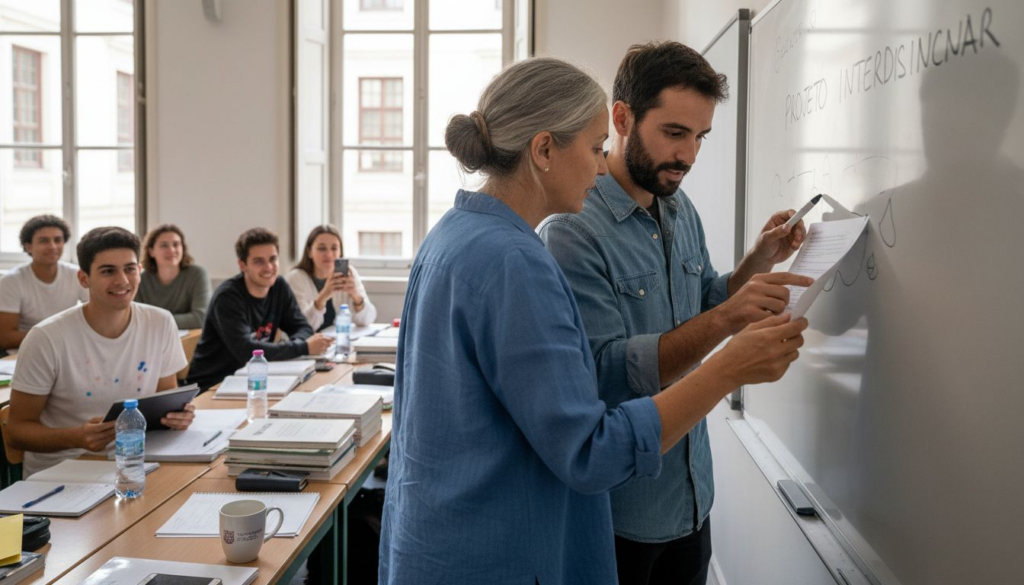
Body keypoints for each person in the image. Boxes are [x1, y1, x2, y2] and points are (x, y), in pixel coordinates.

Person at [378, 57, 808, 584]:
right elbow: (589, 452)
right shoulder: (517, 261)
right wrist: (727, 370)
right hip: (500, 552)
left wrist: (752, 270)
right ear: (543, 151)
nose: (601, 168)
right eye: (596, 148)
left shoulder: (453, 231)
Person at [538, 42, 812, 585]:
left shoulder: (678, 205)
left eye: (700, 136)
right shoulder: (571, 229)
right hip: (620, 516)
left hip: (691, 499)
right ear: (622, 118)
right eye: (674, 132)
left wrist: (756, 262)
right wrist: (728, 323)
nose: (689, 155)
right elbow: (605, 372)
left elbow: (703, 301)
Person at [7, 227, 196, 476]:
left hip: (135, 461)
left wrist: (177, 418)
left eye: (130, 269)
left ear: (139, 271)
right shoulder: (46, 337)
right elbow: (17, 431)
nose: (122, 280)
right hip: (63, 472)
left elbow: (165, 403)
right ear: (84, 279)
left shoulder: (160, 322)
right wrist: (76, 437)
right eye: (108, 271)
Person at [187, 227, 332, 390]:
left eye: (273, 259)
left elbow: (302, 327)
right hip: (213, 385)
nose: (268, 267)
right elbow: (246, 351)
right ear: (242, 265)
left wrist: (296, 346)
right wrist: (303, 348)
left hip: (254, 379)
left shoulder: (279, 286)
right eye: (259, 261)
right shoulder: (227, 297)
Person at [0, 215, 89, 351]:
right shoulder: (11, 281)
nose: (53, 246)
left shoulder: (77, 275)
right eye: (43, 241)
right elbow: (6, 338)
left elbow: (97, 316)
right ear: (29, 247)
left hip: (67, 348)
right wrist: (55, 337)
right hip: (25, 350)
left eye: (58, 240)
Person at [285, 224, 377, 332]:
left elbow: (367, 320)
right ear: (309, 252)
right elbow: (301, 327)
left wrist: (356, 296)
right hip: (306, 342)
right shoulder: (295, 278)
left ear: (340, 252)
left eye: (334, 248)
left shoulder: (349, 274)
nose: (329, 254)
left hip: (337, 340)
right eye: (322, 248)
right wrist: (323, 296)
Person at [136, 224, 212, 330]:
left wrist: (155, 321)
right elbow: (136, 319)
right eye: (164, 245)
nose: (171, 250)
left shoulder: (197, 274)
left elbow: (201, 318)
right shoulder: (140, 280)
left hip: (189, 339)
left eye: (176, 244)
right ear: (151, 251)